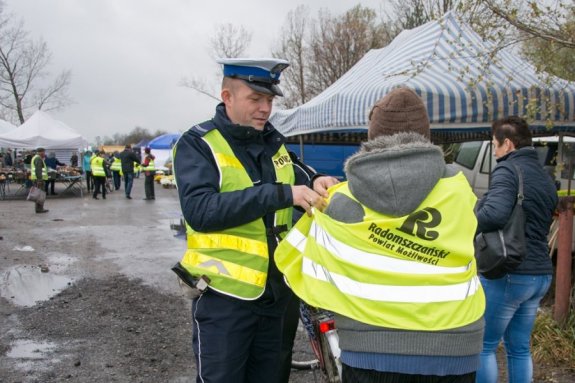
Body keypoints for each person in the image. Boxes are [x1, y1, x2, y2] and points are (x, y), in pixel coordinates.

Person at [276, 87, 486, 383]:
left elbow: (294, 262)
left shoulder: (338, 200)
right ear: (425, 136)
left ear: (372, 137)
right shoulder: (459, 191)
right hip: (455, 347)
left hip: (369, 350)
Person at [172, 57, 338, 383]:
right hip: (224, 299)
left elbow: (298, 173)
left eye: (270, 100)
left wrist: (317, 179)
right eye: (256, 99)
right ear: (227, 97)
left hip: (276, 296)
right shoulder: (198, 144)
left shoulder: (271, 140)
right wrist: (282, 195)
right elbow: (201, 211)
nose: (265, 108)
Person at [474, 116, 558, 383]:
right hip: (540, 274)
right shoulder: (544, 176)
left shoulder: (508, 170)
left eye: (495, 145)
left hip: (510, 272)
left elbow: (493, 215)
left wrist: (474, 212)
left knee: (484, 346)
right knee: (519, 349)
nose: (495, 151)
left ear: (507, 143)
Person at [30, 147, 49, 213]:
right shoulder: (38, 158)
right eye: (44, 152)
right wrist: (39, 180)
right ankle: (39, 209)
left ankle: (39, 208)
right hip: (39, 179)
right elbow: (38, 170)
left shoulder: (36, 157)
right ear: (41, 152)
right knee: (40, 195)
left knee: (38, 194)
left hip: (36, 179)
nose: (44, 154)